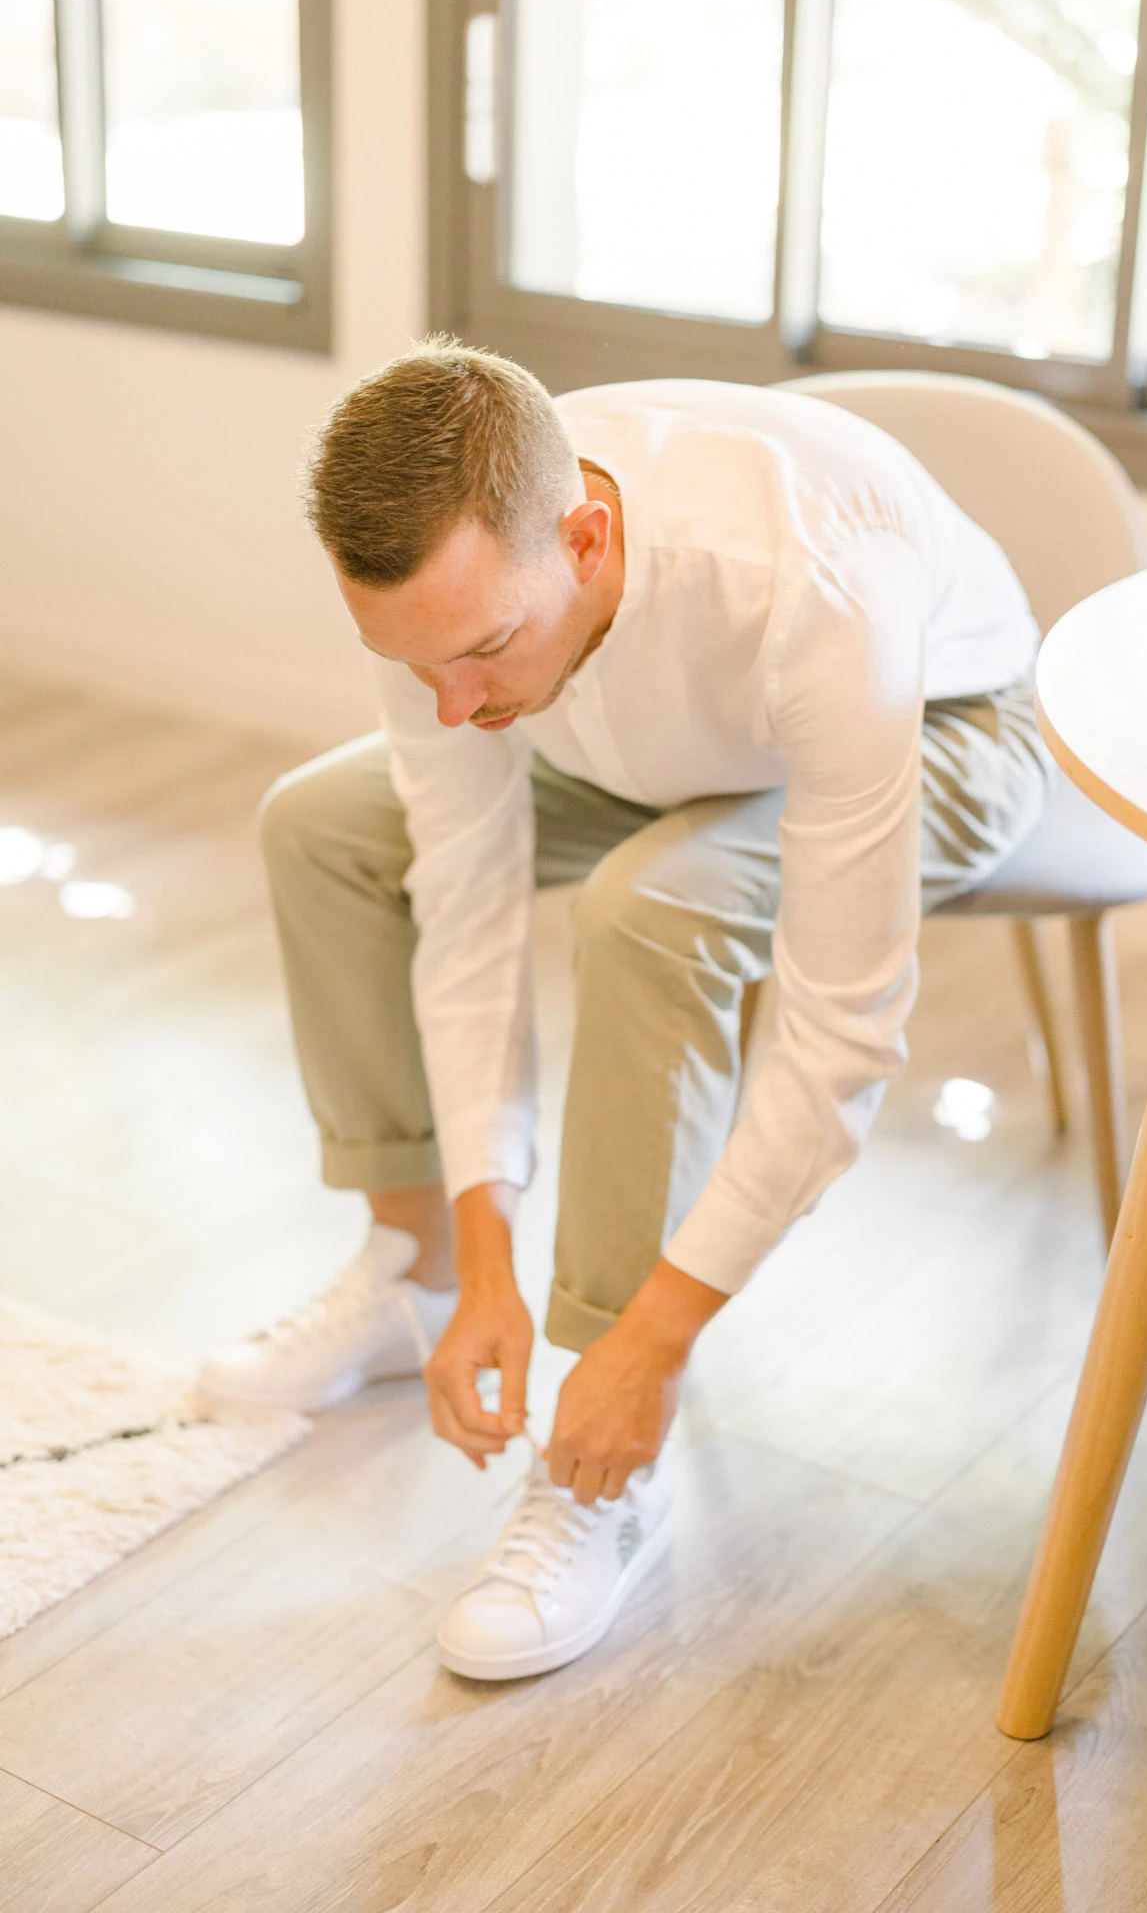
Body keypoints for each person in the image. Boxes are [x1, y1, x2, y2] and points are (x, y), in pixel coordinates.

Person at [198, 339, 1049, 1681]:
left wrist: (654, 1340)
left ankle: (603, 1453)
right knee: (324, 825)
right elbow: (464, 906)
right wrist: (488, 1261)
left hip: (942, 723)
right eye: (419, 667)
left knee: (650, 906)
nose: (451, 706)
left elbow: (842, 1039)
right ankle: (412, 1274)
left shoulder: (817, 587)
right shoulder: (451, 604)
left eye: (479, 651)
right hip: (644, 733)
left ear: (587, 539)